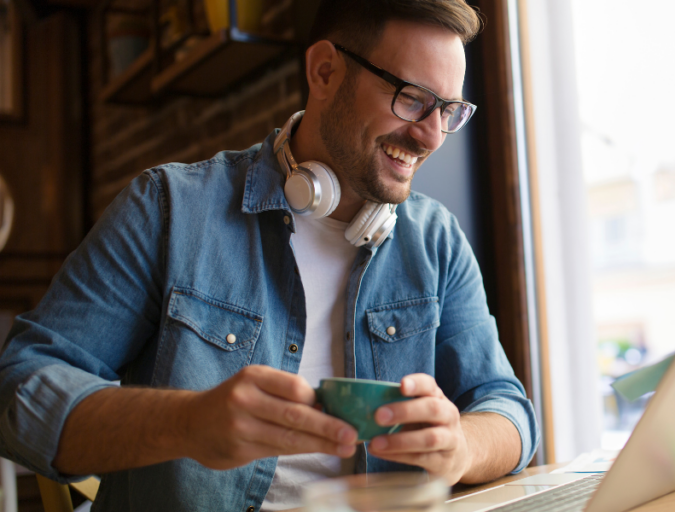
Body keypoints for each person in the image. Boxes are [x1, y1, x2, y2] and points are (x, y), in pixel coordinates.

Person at [0, 1, 538, 510]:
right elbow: (19, 391)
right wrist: (188, 423)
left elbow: (508, 409)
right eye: (412, 98)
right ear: (325, 72)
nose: (430, 136)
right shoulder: (169, 210)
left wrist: (462, 446)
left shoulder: (436, 240)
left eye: (448, 110)